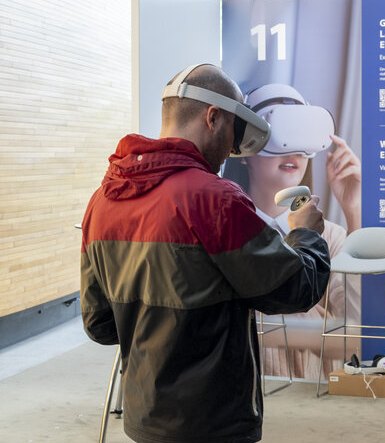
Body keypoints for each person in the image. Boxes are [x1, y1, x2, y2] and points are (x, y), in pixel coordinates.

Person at [80, 65, 331, 443]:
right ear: (212, 117)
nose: (234, 147)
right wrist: (305, 234)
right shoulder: (215, 199)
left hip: (144, 420)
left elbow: (100, 323)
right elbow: (295, 289)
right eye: (234, 129)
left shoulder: (103, 201)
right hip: (213, 422)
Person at [223, 83, 362, 380]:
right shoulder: (224, 236)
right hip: (241, 406)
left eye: (302, 137)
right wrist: (312, 319)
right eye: (278, 136)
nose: (292, 151)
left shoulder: (332, 238)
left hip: (315, 411)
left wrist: (354, 211)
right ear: (244, 150)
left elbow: (358, 337)